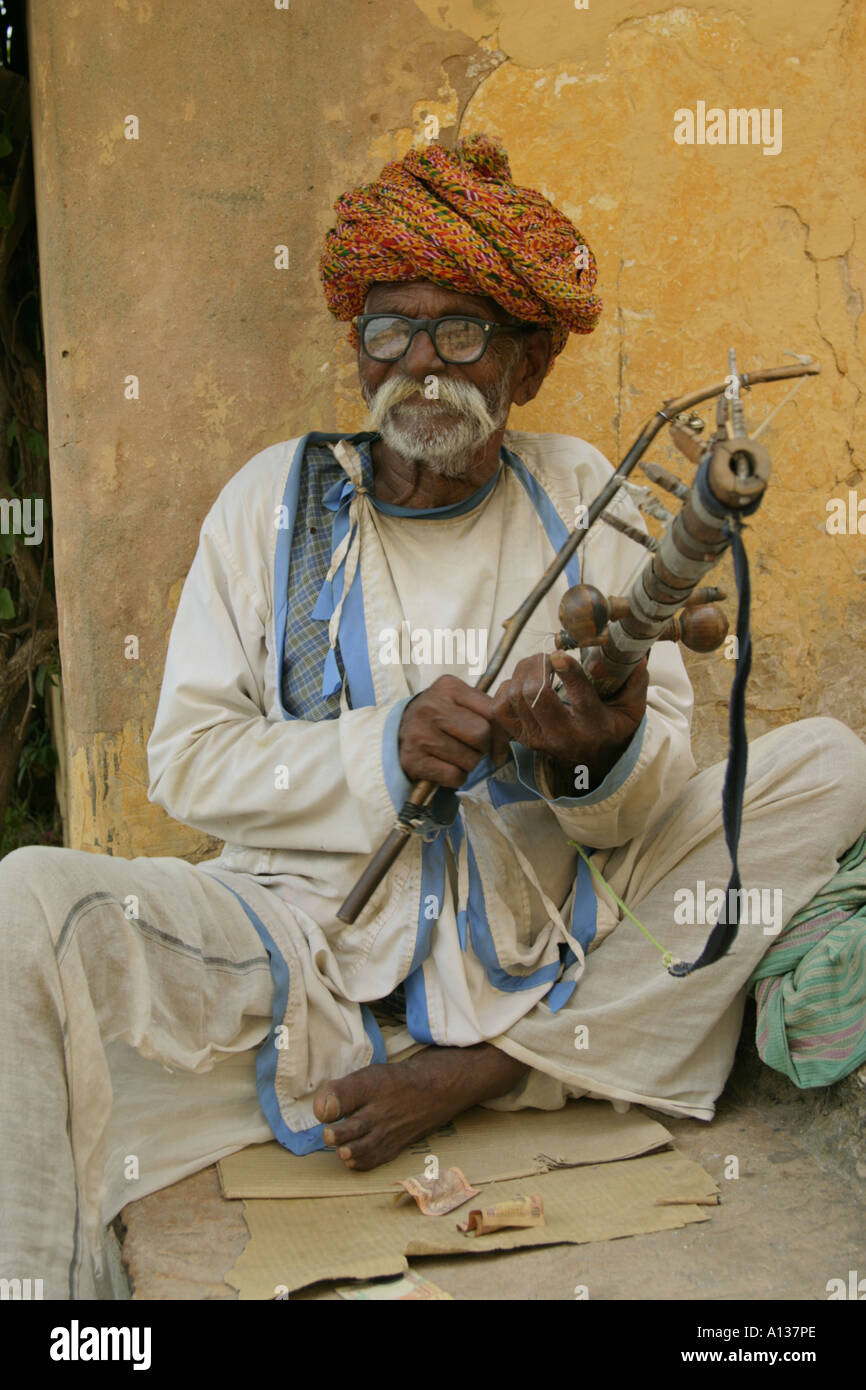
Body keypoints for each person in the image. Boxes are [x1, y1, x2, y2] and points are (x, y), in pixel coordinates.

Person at [1, 133, 863, 1300]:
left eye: (459, 331)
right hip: (300, 948)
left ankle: (486, 1069)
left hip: (544, 950)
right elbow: (188, 763)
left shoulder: (580, 494)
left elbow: (644, 788)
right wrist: (378, 744)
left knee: (821, 768)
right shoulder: (273, 502)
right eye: (389, 330)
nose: (421, 363)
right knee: (28, 905)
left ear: (524, 359)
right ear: (356, 351)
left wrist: (595, 766)